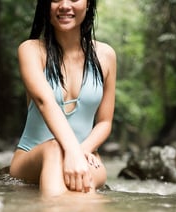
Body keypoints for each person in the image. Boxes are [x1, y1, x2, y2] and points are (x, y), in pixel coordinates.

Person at [9, 0, 116, 197]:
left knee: (78, 171)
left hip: (87, 154)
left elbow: (104, 122)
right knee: (54, 148)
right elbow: (44, 102)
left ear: (88, 3)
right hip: (32, 156)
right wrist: (71, 151)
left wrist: (81, 151)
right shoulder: (31, 50)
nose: (65, 5)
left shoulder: (105, 55)